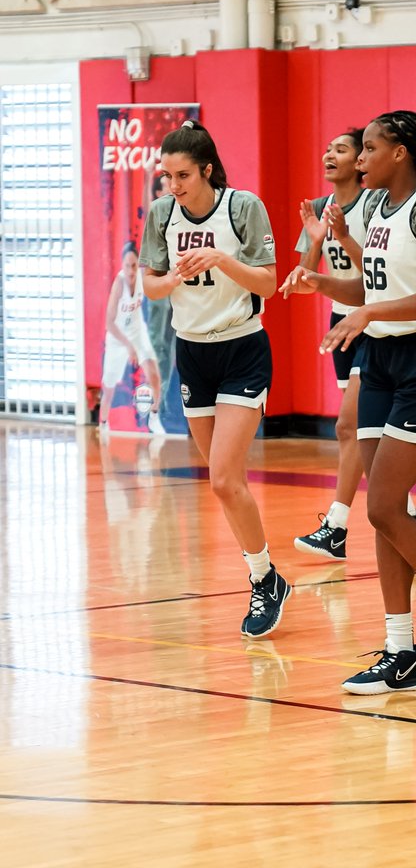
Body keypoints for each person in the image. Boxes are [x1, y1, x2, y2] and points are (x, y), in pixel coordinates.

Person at [282, 109, 416, 692]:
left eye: (369, 148)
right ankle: (401, 652)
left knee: (383, 506)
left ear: (400, 152)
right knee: (387, 512)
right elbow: (371, 289)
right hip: (381, 359)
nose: (359, 158)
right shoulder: (372, 207)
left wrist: (370, 310)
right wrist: (324, 284)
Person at [139, 120, 286, 637]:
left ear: (206, 169)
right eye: (166, 176)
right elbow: (152, 289)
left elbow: (268, 281)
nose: (173, 185)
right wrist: (174, 276)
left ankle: (262, 580)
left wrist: (222, 258)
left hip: (242, 348)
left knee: (223, 476)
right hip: (192, 353)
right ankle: (268, 575)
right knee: (224, 485)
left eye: (182, 175)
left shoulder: (242, 208)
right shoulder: (161, 214)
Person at [288, 129, 416, 561]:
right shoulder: (322, 206)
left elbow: (377, 273)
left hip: (372, 321)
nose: (331, 154)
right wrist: (312, 241)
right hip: (341, 320)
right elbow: (309, 277)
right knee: (368, 432)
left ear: (361, 163)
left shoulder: (374, 205)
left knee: (349, 427)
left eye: (343, 149)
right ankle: (408, 511)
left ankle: (337, 524)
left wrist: (345, 238)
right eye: (328, 148)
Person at [100, 240, 164, 434]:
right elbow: (109, 323)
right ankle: (103, 423)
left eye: (134, 265)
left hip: (137, 332)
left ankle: (153, 416)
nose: (130, 270)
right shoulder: (118, 284)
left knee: (154, 374)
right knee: (109, 389)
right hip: (118, 338)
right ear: (122, 265)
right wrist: (128, 346)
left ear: (139, 264)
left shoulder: (144, 276)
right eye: (127, 266)